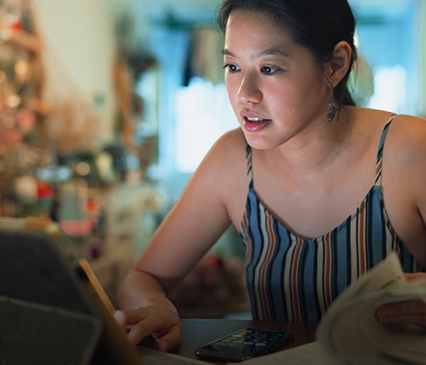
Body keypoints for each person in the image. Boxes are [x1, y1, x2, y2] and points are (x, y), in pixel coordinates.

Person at [114, 0, 426, 352]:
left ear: (336, 65)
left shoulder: (409, 150)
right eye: (232, 66)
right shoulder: (232, 161)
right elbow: (143, 278)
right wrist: (154, 307)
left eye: (270, 68)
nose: (244, 94)